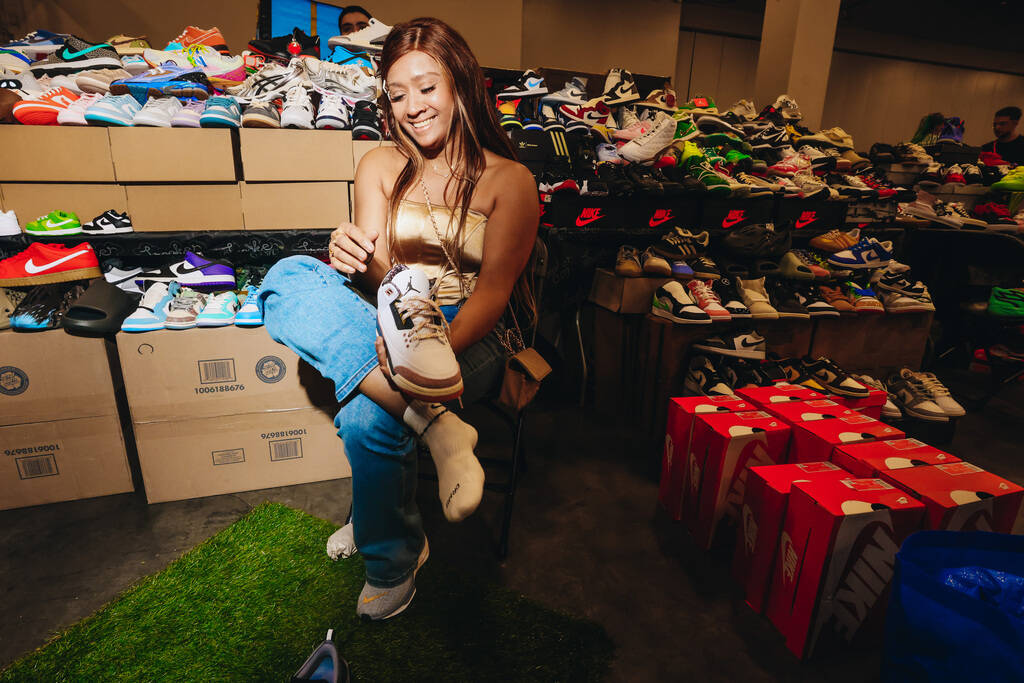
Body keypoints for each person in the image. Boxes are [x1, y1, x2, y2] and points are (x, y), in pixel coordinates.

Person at [258, 17, 538, 622]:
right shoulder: (380, 164)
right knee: (285, 277)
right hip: (390, 303)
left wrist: (427, 351)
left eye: (427, 87)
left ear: (460, 85)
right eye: (398, 94)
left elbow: (494, 295)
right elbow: (378, 275)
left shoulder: (511, 181)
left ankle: (390, 559)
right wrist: (350, 253)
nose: (412, 107)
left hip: (472, 327)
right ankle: (438, 426)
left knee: (366, 417)